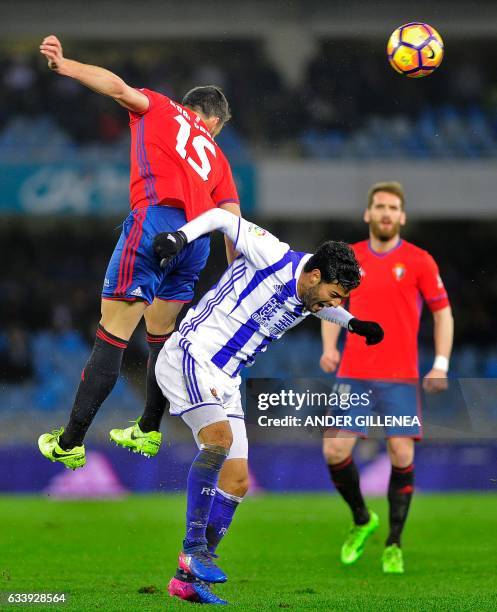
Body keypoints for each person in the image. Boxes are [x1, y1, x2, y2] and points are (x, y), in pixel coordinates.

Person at [148, 208, 384, 604]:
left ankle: (185, 581)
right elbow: (221, 218)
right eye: (334, 294)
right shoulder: (273, 254)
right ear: (313, 276)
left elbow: (325, 305)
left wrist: (353, 323)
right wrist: (180, 237)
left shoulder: (311, 296)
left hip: (227, 378)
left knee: (238, 481)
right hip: (192, 354)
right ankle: (193, 549)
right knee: (218, 441)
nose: (334, 303)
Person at [37, 35, 241, 470]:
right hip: (196, 242)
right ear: (216, 120)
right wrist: (235, 279)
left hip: (155, 224)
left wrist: (66, 65)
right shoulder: (219, 158)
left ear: (192, 109)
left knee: (113, 332)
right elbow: (232, 222)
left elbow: (116, 87)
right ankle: (149, 430)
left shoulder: (166, 107)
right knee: (160, 337)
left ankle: (69, 441)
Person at [319, 181, 453, 574]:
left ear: (402, 216)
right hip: (354, 373)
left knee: (401, 453)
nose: (385, 213)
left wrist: (441, 363)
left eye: (393, 207)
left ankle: (394, 543)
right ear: (368, 214)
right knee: (334, 451)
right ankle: (362, 520)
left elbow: (442, 312)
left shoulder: (419, 261)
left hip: (399, 376)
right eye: (379, 206)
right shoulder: (351, 258)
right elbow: (330, 304)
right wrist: (330, 347)